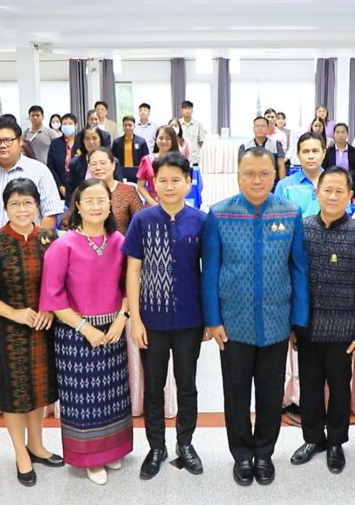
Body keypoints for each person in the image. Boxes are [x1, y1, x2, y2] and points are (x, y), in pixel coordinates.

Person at [203, 147, 309, 487]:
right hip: (233, 324)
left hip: (277, 322)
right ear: (238, 176)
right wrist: (213, 320)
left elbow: (299, 269)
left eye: (264, 173)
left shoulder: (289, 212)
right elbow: (210, 270)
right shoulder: (219, 213)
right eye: (249, 173)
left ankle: (264, 453)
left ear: (275, 176)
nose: (257, 180)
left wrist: (297, 321)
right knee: (235, 394)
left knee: (270, 394)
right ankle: (242, 455)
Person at [0, 178, 62, 488]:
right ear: (5, 207)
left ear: (38, 206)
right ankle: (21, 453)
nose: (22, 209)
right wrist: (14, 313)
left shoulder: (50, 238)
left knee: (39, 392)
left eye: (28, 203)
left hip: (43, 327)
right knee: (15, 395)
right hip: (8, 330)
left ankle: (37, 445)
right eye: (15, 204)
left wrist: (49, 309)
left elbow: (60, 282)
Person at [41, 178, 132, 486]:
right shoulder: (63, 244)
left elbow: (130, 285)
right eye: (89, 200)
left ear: (110, 205)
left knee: (113, 396)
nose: (96, 206)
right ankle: (90, 459)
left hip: (113, 329)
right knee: (84, 400)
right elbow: (52, 297)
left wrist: (121, 319)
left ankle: (113, 449)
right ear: (77, 206)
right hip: (75, 334)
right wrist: (86, 329)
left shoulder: (119, 241)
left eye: (101, 200)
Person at [125, 153, 207, 480]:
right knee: (154, 387)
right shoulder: (142, 221)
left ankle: (185, 444)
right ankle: (156, 447)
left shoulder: (201, 221)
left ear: (188, 182)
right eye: (162, 180)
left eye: (176, 180)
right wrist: (135, 319)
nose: (169, 186)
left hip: (190, 320)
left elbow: (208, 272)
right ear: (153, 184)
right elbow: (133, 271)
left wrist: (208, 318)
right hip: (152, 321)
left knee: (187, 385)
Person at [291, 167, 355, 474]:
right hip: (308, 328)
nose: (332, 196)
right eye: (327, 190)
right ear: (317, 193)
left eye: (339, 191)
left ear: (350, 196)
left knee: (340, 389)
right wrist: (292, 325)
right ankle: (313, 438)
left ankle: (337, 442)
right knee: (310, 387)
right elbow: (293, 279)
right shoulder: (301, 230)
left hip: (344, 331)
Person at [0, 119, 64, 234]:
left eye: (8, 140)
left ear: (20, 141)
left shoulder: (40, 171)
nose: (2, 145)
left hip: (29, 243)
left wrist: (38, 240)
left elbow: (50, 212)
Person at [62, 148, 141, 233]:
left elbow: (140, 223)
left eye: (103, 163)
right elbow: (67, 223)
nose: (98, 167)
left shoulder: (128, 191)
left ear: (113, 165)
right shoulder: (81, 191)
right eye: (93, 164)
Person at [66, 126, 122, 205]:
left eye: (94, 138)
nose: (91, 142)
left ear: (100, 140)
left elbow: (119, 187)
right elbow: (70, 192)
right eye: (87, 139)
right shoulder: (75, 163)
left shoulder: (113, 161)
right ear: (82, 141)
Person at [274, 132, 326, 217]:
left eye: (315, 151)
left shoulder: (335, 183)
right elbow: (277, 220)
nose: (311, 156)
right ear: (298, 155)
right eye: (305, 152)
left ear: (324, 153)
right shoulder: (284, 186)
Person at [136, 126, 182, 206]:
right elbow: (140, 186)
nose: (164, 141)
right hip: (152, 204)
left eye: (168, 139)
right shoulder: (147, 160)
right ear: (156, 139)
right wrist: (153, 203)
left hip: (174, 203)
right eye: (161, 138)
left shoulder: (179, 161)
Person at [239, 116, 287, 183]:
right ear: (253, 129)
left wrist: (282, 185)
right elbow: (241, 169)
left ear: (268, 129)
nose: (260, 128)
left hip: (273, 183)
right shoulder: (245, 146)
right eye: (257, 126)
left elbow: (281, 166)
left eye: (263, 126)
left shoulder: (276, 144)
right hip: (252, 183)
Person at [322, 123, 355, 199]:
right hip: (331, 185)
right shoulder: (328, 152)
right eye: (337, 132)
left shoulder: (354, 152)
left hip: (349, 187)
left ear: (347, 134)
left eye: (343, 132)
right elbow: (324, 171)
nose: (340, 135)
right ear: (334, 134)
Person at [46, 113, 79, 199]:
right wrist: (60, 186)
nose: (67, 126)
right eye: (64, 124)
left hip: (80, 187)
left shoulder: (81, 143)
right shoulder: (55, 143)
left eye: (70, 123)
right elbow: (51, 166)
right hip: (59, 188)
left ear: (76, 125)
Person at [112, 116, 150, 183]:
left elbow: (146, 159)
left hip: (138, 172)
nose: (127, 127)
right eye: (125, 125)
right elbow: (113, 159)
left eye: (130, 125)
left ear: (134, 126)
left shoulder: (141, 141)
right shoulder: (116, 142)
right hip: (121, 171)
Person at [178, 100, 206, 165]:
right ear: (181, 110)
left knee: (194, 172)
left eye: (189, 108)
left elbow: (200, 141)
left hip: (194, 158)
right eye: (185, 108)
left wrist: (193, 151)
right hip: (180, 157)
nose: (187, 111)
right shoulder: (177, 124)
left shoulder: (198, 125)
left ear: (192, 110)